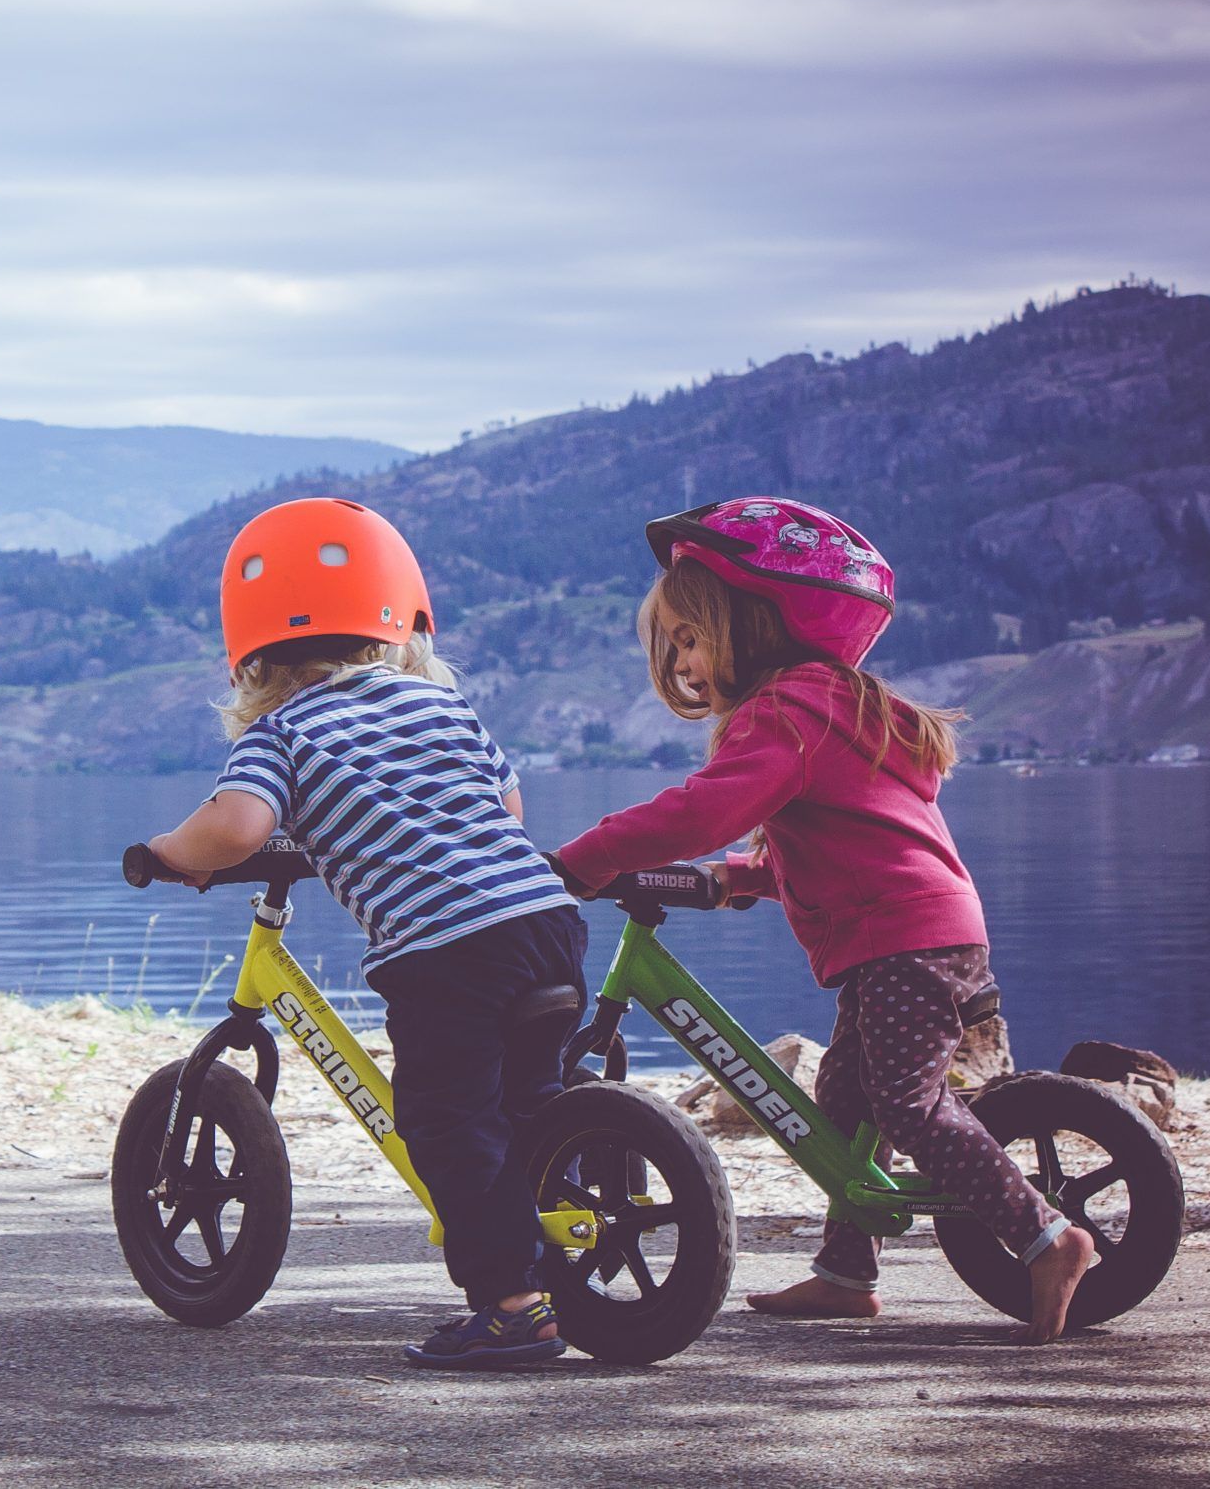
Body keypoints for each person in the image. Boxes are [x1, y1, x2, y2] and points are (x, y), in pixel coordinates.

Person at [548, 496, 1096, 1345]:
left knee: (910, 1107)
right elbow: (851, 837)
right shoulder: (837, 701)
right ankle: (847, 1273)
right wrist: (740, 879)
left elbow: (702, 810)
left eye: (691, 635)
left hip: (903, 938)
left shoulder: (785, 710)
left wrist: (585, 857)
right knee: (843, 1099)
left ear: (748, 623)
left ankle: (1045, 1235)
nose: (684, 660)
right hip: (914, 927)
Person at [141, 496, 585, 1368]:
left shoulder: (283, 733)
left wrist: (167, 850)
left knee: (449, 1121)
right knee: (530, 1106)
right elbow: (507, 807)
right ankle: (570, 1267)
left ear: (252, 653)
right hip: (545, 919)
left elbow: (234, 829)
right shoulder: (441, 709)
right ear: (397, 627)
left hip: (445, 947)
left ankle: (510, 1306)